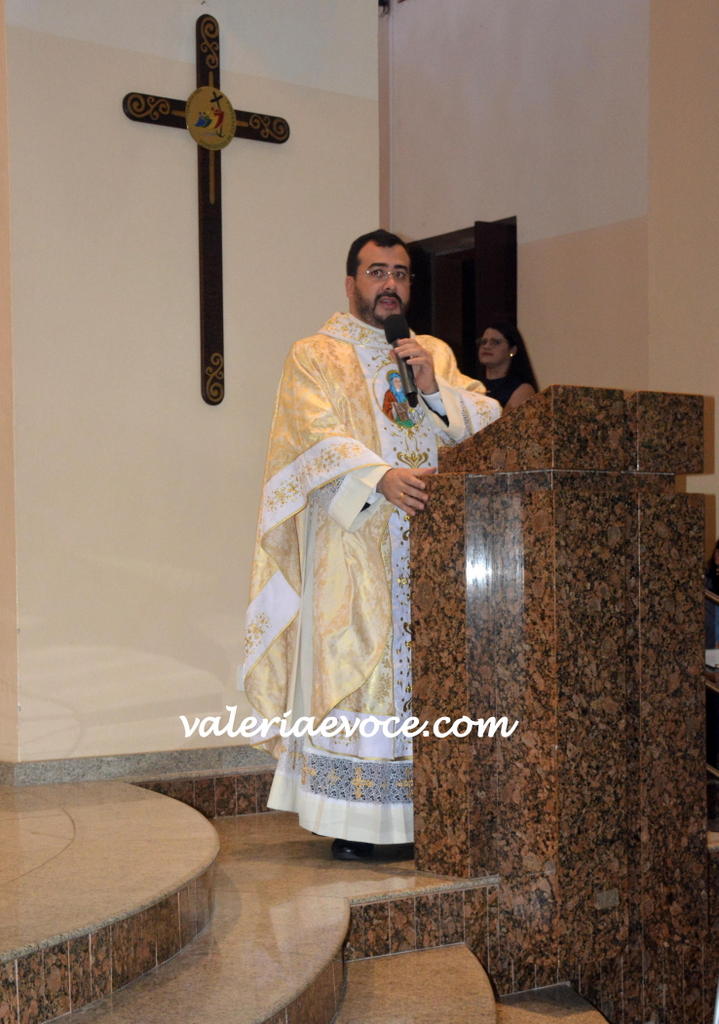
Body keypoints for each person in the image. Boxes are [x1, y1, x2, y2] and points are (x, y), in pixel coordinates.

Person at [241, 229, 500, 860]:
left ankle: (431, 810)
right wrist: (380, 477)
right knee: (362, 669)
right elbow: (312, 435)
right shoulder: (314, 354)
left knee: (430, 677)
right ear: (351, 282)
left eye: (401, 274)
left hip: (435, 546)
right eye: (377, 272)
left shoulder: (433, 352)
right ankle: (359, 819)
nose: (390, 285)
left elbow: (489, 422)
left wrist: (433, 389)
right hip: (355, 541)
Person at [476, 320, 538, 412]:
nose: (486, 346)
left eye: (495, 342)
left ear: (512, 350)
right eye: (483, 342)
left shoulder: (523, 389)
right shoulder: (472, 384)